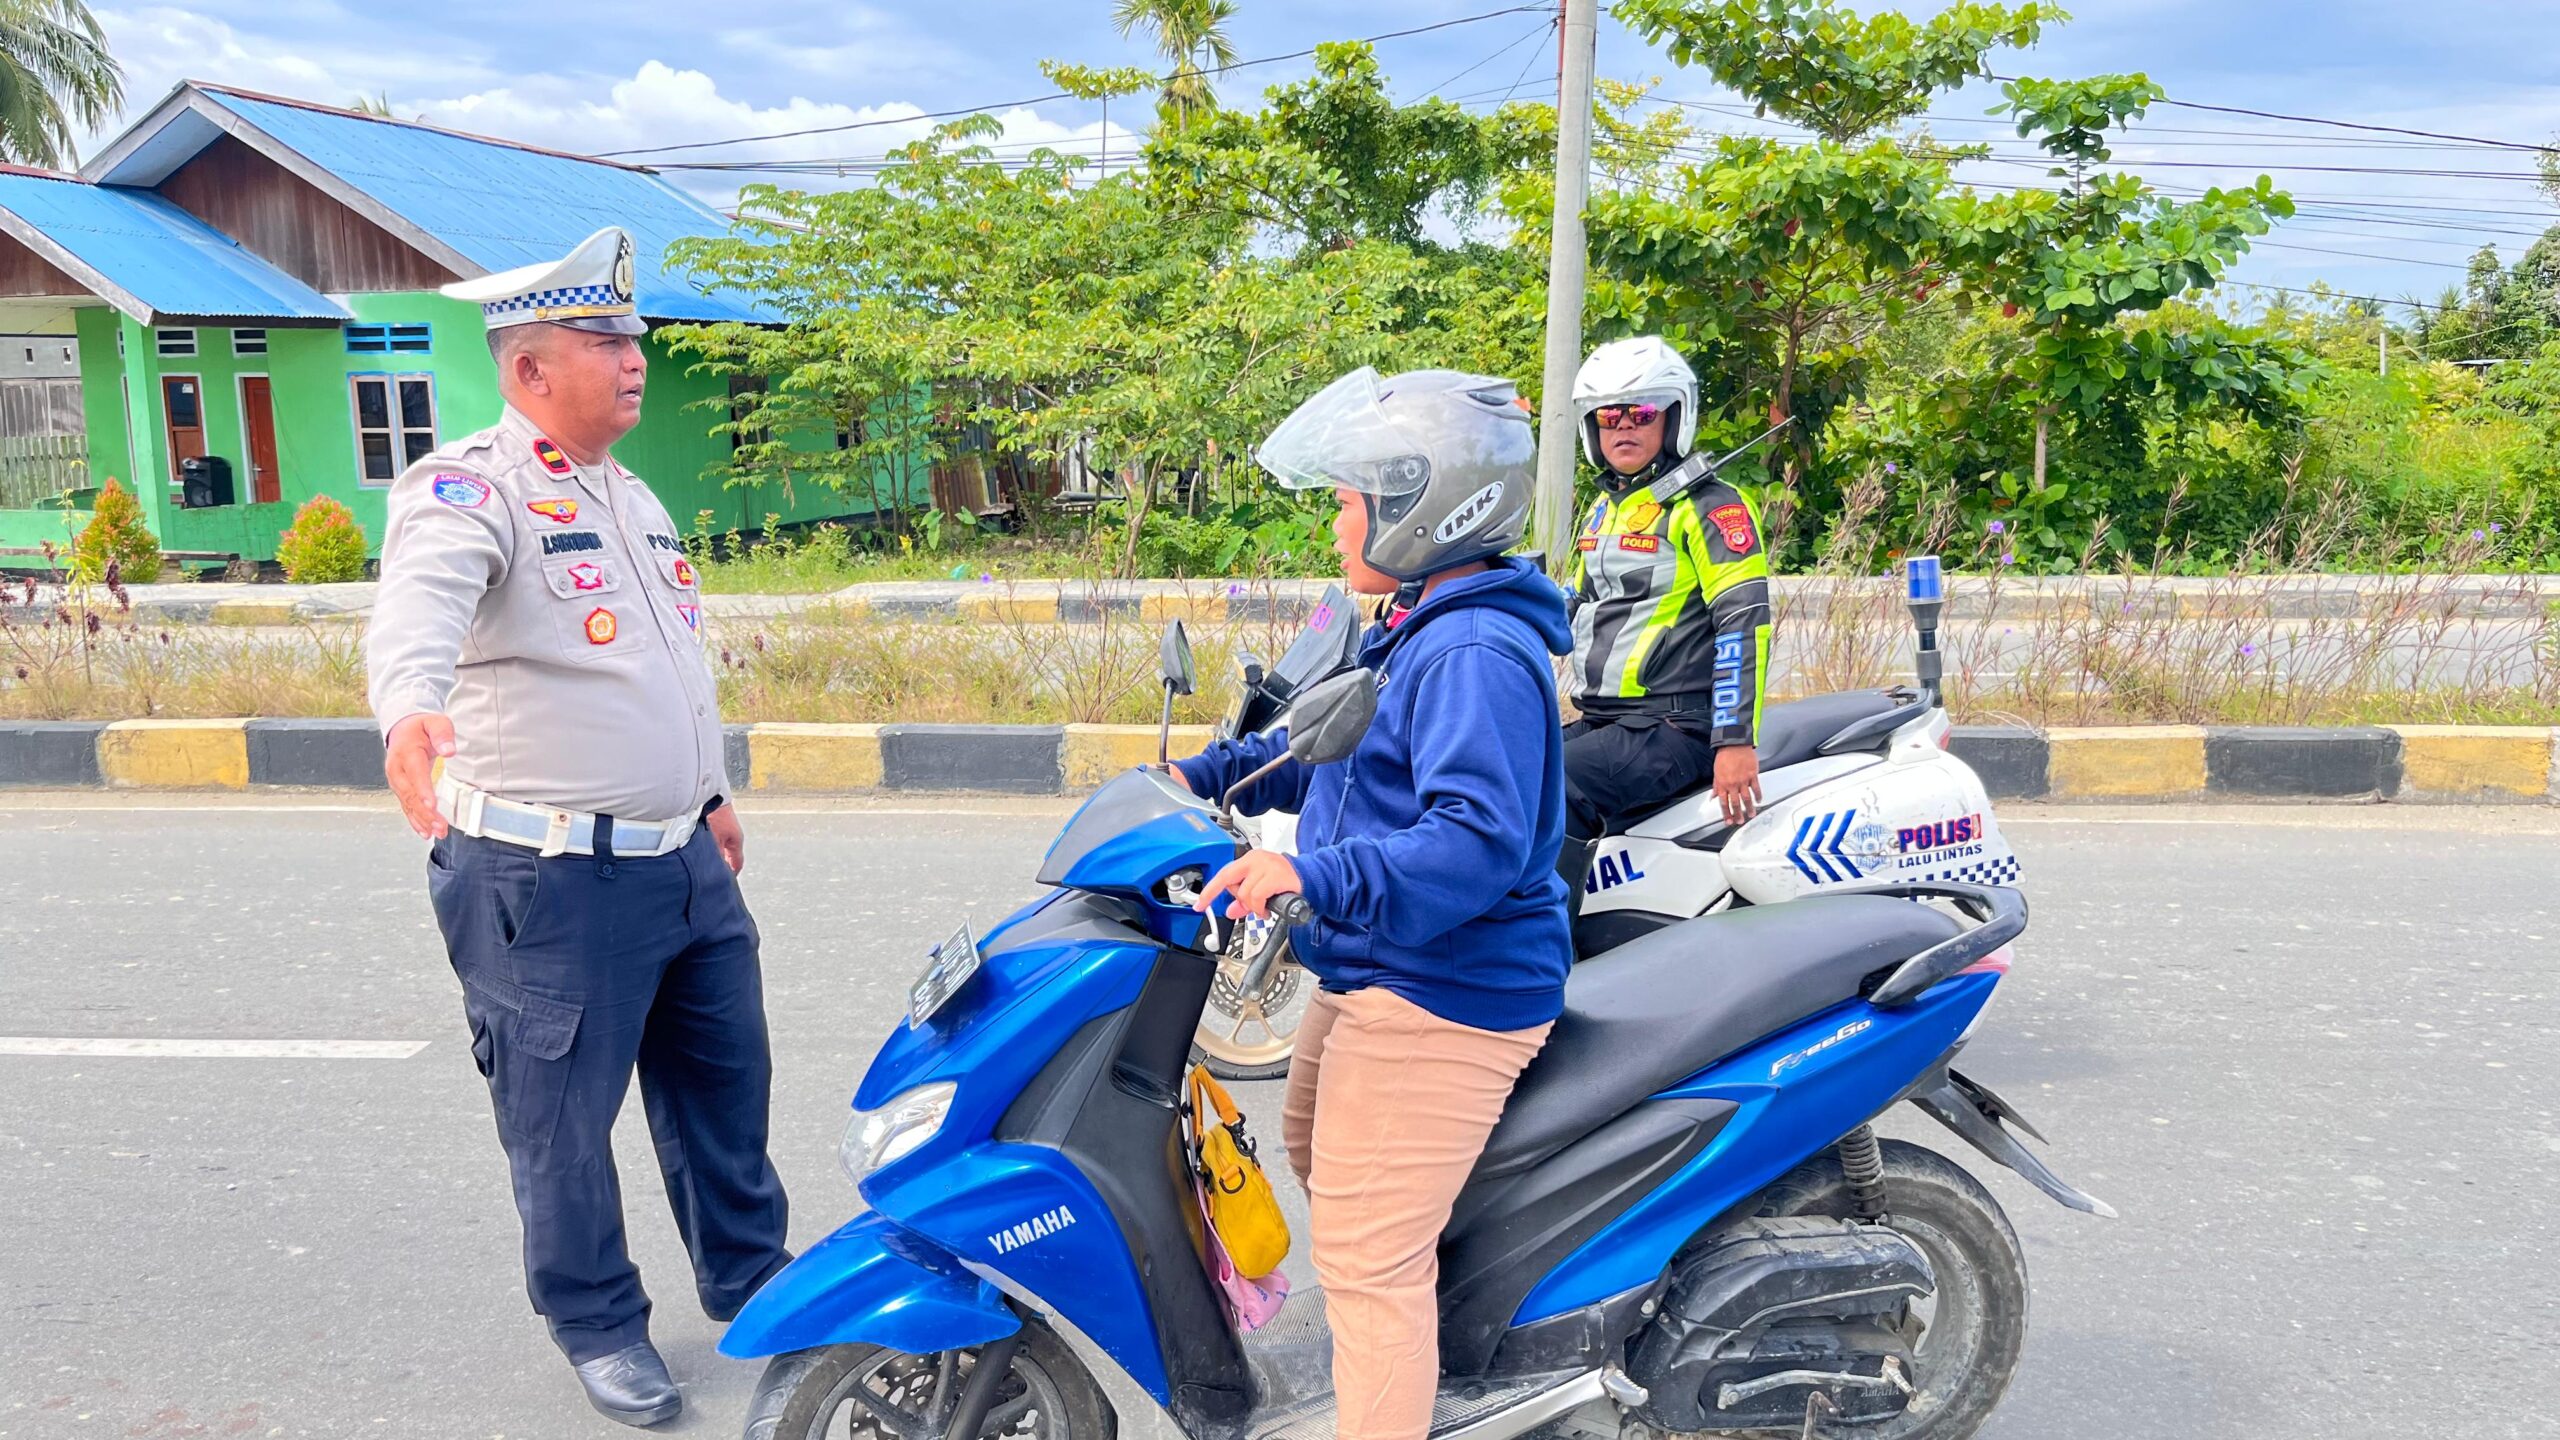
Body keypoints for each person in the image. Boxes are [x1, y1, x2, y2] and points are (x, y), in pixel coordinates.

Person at [366, 227, 787, 1428]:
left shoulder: (630, 494)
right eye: (604, 341)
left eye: (632, 339)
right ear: (529, 368)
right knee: (559, 1123)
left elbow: (659, 666)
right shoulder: (469, 488)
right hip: (546, 876)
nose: (633, 358)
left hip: (683, 862)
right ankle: (599, 1324)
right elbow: (418, 610)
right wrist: (408, 709)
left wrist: (706, 792)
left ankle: (751, 1280)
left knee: (724, 1088)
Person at [1174, 368, 1574, 1440]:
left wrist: (1312, 876)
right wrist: (1202, 777)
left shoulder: (1474, 651)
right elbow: (1326, 753)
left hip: (1448, 986)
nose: (1337, 521)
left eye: (1351, 501)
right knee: (1313, 1154)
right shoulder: (1417, 624)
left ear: (1421, 506)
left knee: (1366, 1258)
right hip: (1379, 961)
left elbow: (1474, 843)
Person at [1559, 336, 1772, 899]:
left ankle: (1539, 944)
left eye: (1643, 413)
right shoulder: (1607, 507)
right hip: (1608, 720)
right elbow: (1573, 604)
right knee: (1496, 769)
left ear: (1674, 418)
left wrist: (1734, 740)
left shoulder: (1709, 505)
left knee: (1548, 787)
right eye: (1609, 416)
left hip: (1674, 725)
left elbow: (1744, 620)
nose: (1624, 427)